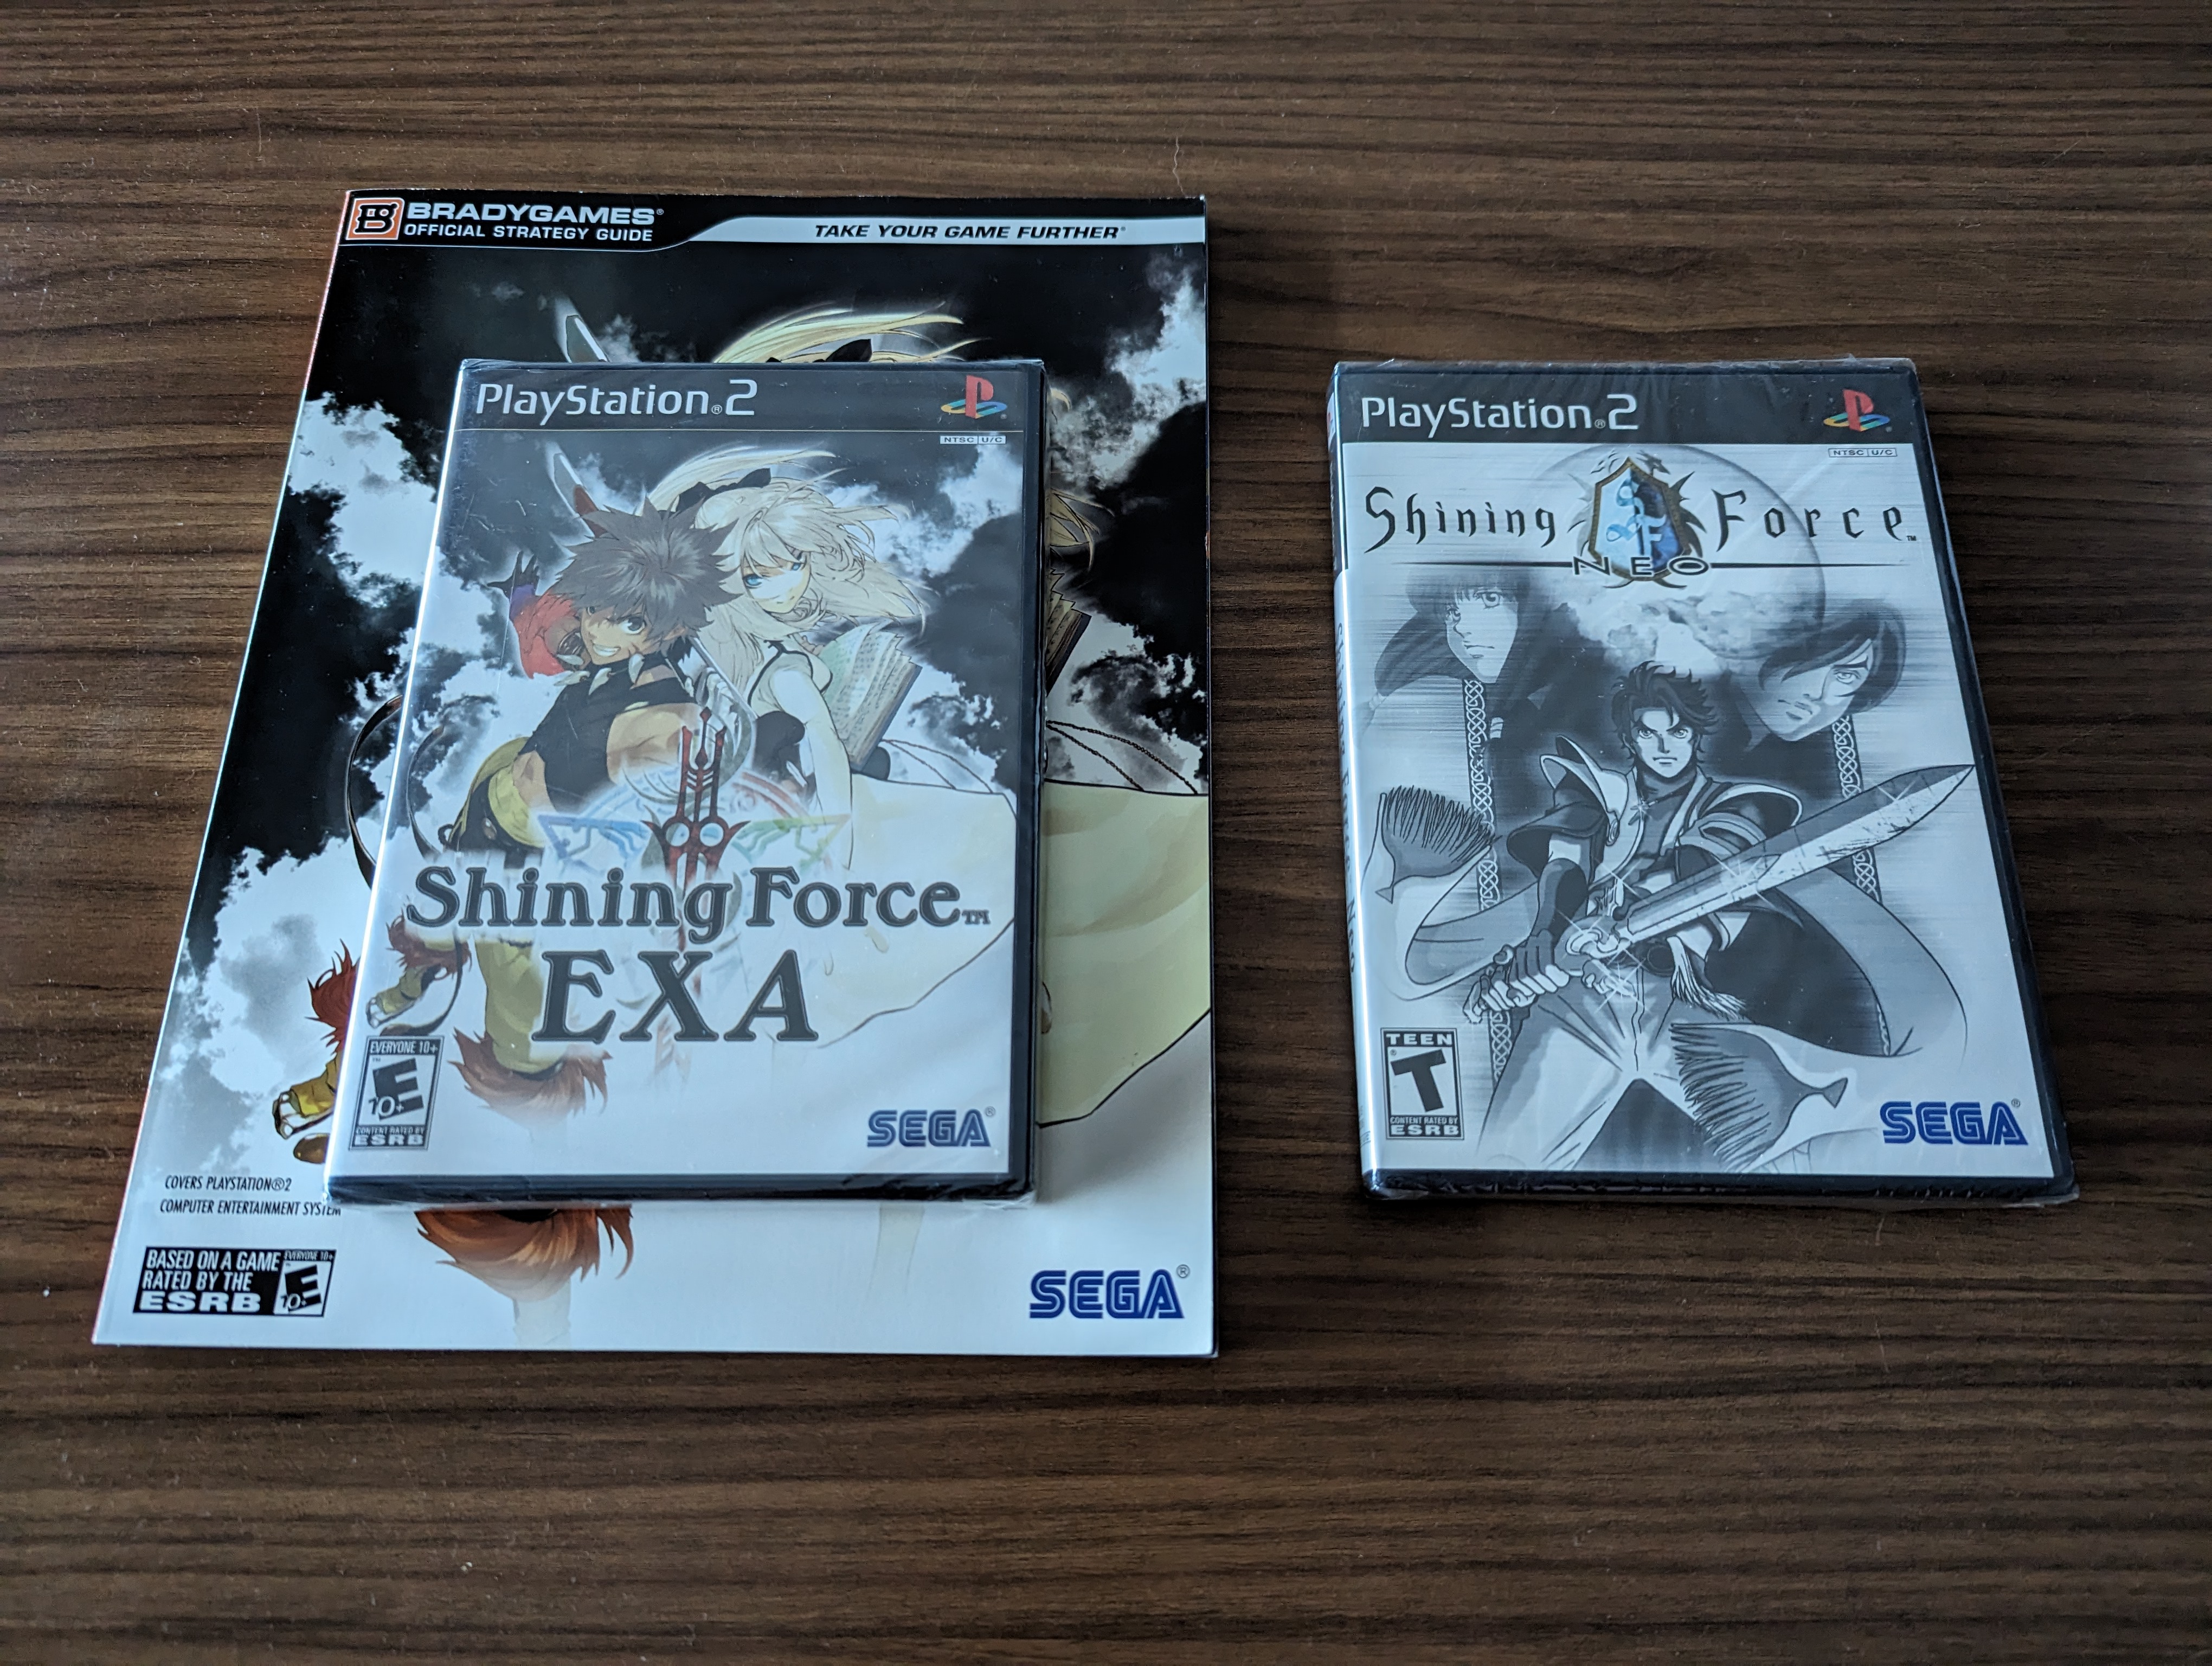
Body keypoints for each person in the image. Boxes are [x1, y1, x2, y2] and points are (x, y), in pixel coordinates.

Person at [1472, 664, 1805, 1169]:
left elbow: (1706, 866)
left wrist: (1626, 914)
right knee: (1505, 1160)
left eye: (1678, 732)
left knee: (1787, 1155)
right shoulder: (1598, 793)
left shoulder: (1737, 805)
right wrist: (1543, 940)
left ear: (1696, 735)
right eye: (1649, 733)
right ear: (1630, 739)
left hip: (1683, 1002)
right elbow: (1567, 863)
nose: (1665, 746)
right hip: (1585, 1000)